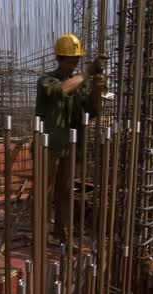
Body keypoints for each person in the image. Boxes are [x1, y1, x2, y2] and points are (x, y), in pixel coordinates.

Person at [35, 33, 106, 242]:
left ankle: (62, 232)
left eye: (77, 61)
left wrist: (96, 91)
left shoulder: (79, 84)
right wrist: (86, 74)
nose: (74, 65)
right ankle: (42, 232)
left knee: (65, 192)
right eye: (70, 61)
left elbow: (90, 112)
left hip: (70, 147)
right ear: (59, 58)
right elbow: (61, 91)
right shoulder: (46, 80)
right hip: (48, 146)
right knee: (45, 193)